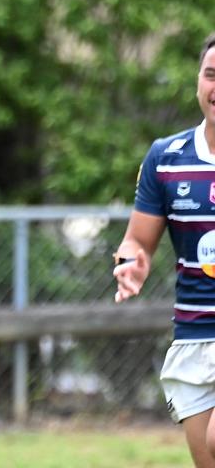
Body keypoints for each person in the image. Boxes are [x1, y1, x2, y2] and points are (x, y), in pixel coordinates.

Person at [115, 32, 215, 468]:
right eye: (212, 75)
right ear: (198, 81)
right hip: (194, 335)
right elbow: (137, 241)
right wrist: (131, 264)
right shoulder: (167, 158)